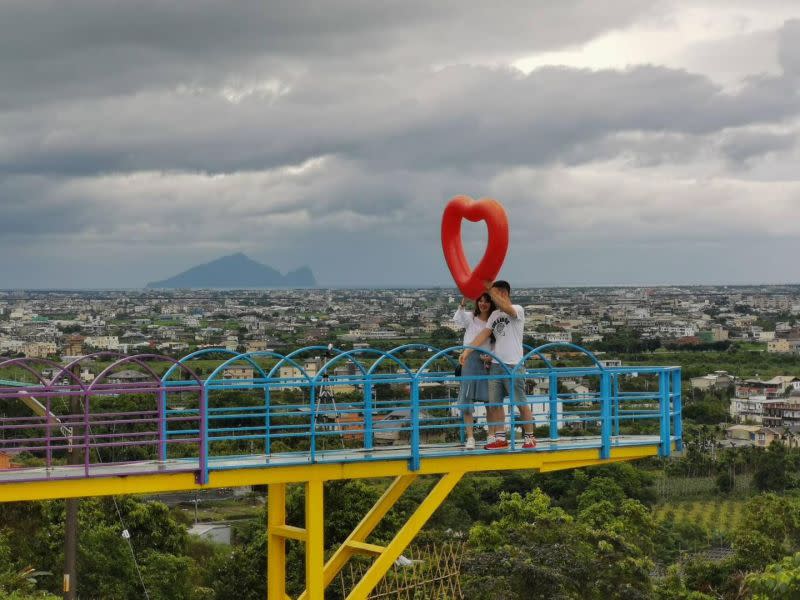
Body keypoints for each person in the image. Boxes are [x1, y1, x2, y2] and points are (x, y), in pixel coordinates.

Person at [460, 280, 536, 450]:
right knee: (495, 404)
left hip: (513, 365)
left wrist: (490, 290)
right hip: (495, 364)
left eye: (494, 294)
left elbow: (507, 308)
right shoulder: (494, 316)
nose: (491, 299)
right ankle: (500, 438)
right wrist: (467, 351)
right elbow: (483, 334)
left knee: (520, 402)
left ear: (504, 294)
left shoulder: (517, 310)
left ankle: (529, 437)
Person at [453, 293, 496, 449]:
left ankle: (491, 435)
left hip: (487, 360)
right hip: (469, 360)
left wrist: (491, 358)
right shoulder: (471, 317)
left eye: (486, 301)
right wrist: (464, 301)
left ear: (491, 303)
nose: (483, 304)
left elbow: (498, 342)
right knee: (466, 399)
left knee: (490, 400)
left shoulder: (494, 320)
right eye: (480, 301)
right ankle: (470, 438)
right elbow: (458, 319)